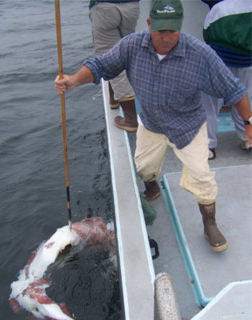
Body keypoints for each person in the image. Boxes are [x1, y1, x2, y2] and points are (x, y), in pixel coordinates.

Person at [55, 0, 252, 253]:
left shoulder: (200, 53)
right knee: (144, 167)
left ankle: (209, 223)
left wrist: (248, 123)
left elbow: (234, 89)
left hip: (188, 127)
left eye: (172, 30)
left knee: (202, 178)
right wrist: (73, 80)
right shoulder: (131, 45)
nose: (166, 37)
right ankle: (152, 188)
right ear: (149, 25)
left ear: (180, 27)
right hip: (151, 123)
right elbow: (100, 65)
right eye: (160, 30)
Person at [201, 0, 252, 159]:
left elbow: (207, 36)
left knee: (209, 103)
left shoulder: (218, 8)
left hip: (218, 59)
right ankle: (247, 139)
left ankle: (208, 145)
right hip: (246, 60)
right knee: (246, 98)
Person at [89, 0, 140, 132]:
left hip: (105, 8)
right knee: (126, 51)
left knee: (109, 56)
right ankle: (113, 98)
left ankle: (130, 119)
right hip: (131, 6)